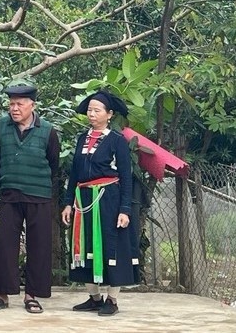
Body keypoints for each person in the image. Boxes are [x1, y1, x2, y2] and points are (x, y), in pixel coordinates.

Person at [61, 90, 139, 316]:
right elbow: (74, 173)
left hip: (109, 200)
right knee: (84, 246)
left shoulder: (117, 141)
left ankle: (112, 300)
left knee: (111, 247)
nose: (91, 114)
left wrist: (124, 209)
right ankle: (94, 298)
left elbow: (126, 177)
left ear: (109, 114)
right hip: (83, 200)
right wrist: (68, 202)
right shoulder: (81, 138)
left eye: (97, 110)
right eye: (89, 110)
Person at [0, 79, 60, 314]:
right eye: (11, 104)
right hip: (10, 194)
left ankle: (32, 295)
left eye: (19, 104)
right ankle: (3, 295)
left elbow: (54, 164)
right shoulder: (0, 127)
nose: (14, 109)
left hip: (39, 195)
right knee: (5, 245)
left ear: (32, 106)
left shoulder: (47, 131)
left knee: (38, 246)